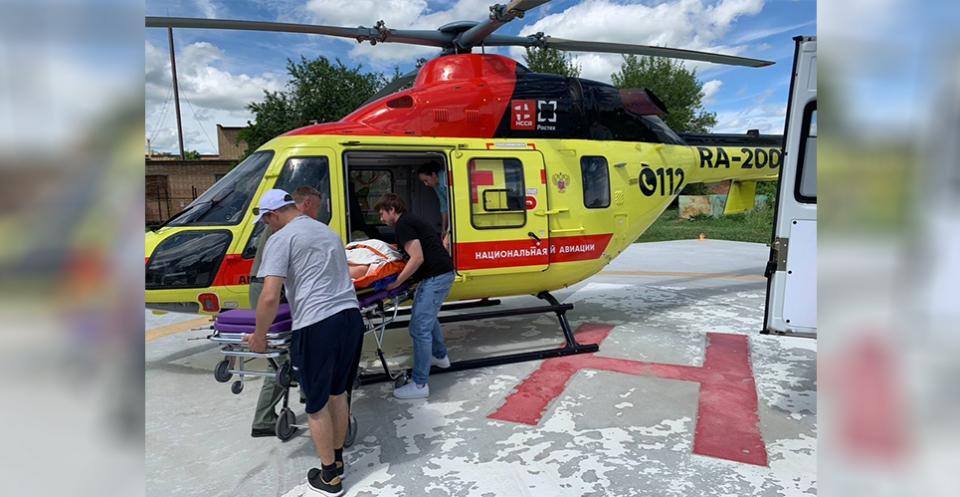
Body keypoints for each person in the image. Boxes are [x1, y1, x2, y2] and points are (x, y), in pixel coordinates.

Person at [245, 189, 363, 496]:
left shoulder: (280, 239)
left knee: (315, 404)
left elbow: (270, 296)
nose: (267, 226)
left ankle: (329, 479)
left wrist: (259, 336)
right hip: (351, 318)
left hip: (318, 324)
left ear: (273, 214)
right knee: (338, 393)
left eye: (266, 220)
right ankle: (337, 461)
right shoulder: (328, 232)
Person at [248, 186, 324, 438]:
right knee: (279, 359)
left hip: (272, 287)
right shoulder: (281, 228)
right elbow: (273, 289)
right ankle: (263, 419)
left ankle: (306, 392)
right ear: (306, 204)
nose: (317, 213)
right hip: (269, 288)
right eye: (317, 207)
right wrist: (259, 335)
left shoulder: (287, 226)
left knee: (296, 349)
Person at [374, 193, 455, 399]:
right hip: (441, 274)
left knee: (419, 328)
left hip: (436, 277)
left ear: (392, 210)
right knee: (428, 318)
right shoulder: (411, 220)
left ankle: (419, 385)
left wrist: (396, 282)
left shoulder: (403, 224)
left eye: (382, 213)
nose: (381, 218)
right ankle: (440, 356)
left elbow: (417, 257)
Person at [416, 160, 451, 253]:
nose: (426, 184)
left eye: (426, 180)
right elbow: (444, 206)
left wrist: (448, 232)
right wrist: (443, 230)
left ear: (433, 174)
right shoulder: (436, 185)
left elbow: (457, 207)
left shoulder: (449, 179)